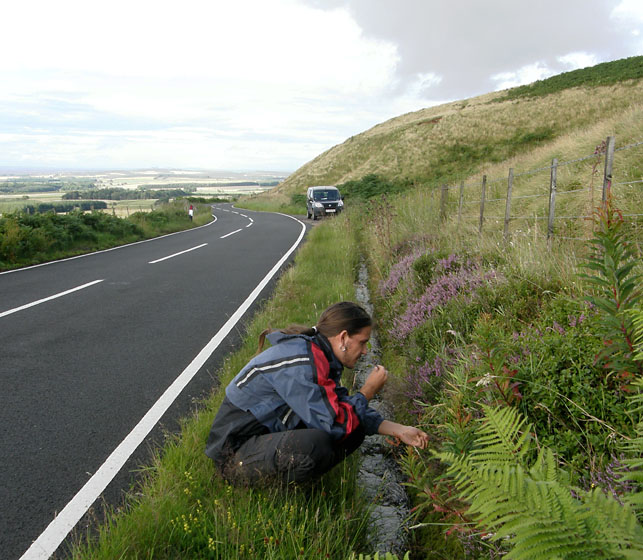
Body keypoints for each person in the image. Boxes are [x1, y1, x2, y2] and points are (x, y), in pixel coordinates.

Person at [205, 301, 428, 485]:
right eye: (362, 343)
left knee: (354, 425)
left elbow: (341, 408)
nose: (365, 351)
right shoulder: (303, 362)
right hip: (234, 457)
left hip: (260, 441)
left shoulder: (318, 355)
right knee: (318, 443)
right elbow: (336, 425)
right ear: (343, 338)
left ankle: (297, 481)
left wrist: (399, 430)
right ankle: (284, 504)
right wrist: (368, 389)